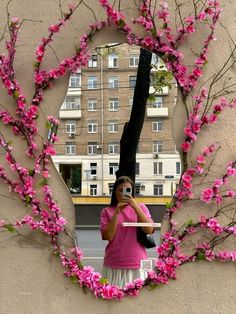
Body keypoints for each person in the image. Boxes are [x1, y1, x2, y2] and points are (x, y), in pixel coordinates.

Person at [100, 176, 154, 288]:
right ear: (114, 192)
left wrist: (135, 206)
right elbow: (108, 236)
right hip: (114, 262)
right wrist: (116, 212)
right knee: (112, 299)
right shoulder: (107, 211)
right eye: (120, 190)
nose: (124, 193)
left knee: (140, 298)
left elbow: (149, 229)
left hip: (139, 261)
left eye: (128, 190)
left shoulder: (141, 207)